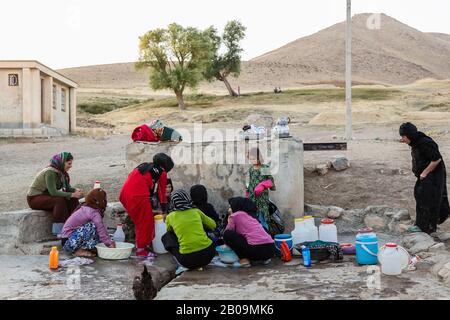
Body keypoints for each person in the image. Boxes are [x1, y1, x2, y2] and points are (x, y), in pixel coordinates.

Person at [119, 153, 174, 257]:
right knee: (146, 223)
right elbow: (162, 192)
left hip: (124, 195)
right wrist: (164, 210)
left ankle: (142, 245)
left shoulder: (144, 166)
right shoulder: (162, 172)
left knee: (140, 221)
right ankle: (141, 250)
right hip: (138, 196)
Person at [399, 122, 449, 234]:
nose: (403, 139)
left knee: (427, 199)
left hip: (433, 175)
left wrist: (424, 173)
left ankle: (427, 228)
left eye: (403, 136)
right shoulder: (416, 141)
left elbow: (436, 159)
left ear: (409, 135)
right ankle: (422, 225)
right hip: (426, 175)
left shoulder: (425, 143)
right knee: (420, 196)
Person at [27, 152, 83, 233]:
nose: (71, 166)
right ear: (62, 162)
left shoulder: (62, 173)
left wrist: (75, 191)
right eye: (69, 163)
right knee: (59, 201)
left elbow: (67, 188)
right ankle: (59, 231)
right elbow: (53, 192)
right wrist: (72, 194)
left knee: (72, 199)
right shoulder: (50, 172)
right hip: (34, 198)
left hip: (46, 196)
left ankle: (75, 225)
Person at [162, 190, 217, 271]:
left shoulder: (170, 217)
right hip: (208, 255)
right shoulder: (195, 211)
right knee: (206, 228)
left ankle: (179, 260)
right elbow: (213, 225)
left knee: (166, 236)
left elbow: (169, 230)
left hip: (188, 260)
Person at [60, 188, 115, 257]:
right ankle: (78, 251)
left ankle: (86, 248)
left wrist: (108, 240)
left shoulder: (86, 207)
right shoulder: (93, 212)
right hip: (69, 243)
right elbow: (101, 230)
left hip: (67, 241)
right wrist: (109, 244)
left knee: (98, 230)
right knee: (93, 226)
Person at [223, 197, 275, 268]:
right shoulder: (252, 217)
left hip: (254, 252)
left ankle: (243, 260)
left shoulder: (234, 216)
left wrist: (226, 244)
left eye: (230, 207)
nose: (229, 209)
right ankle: (266, 258)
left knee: (227, 234)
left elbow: (228, 230)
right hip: (271, 249)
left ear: (236, 207)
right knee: (263, 229)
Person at [246, 147, 276, 233]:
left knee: (263, 219)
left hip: (262, 199)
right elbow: (248, 183)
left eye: (254, 158)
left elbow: (271, 181)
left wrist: (262, 185)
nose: (252, 161)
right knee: (254, 220)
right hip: (253, 198)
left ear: (259, 157)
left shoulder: (264, 167)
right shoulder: (251, 169)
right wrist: (247, 194)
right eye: (251, 159)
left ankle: (266, 237)